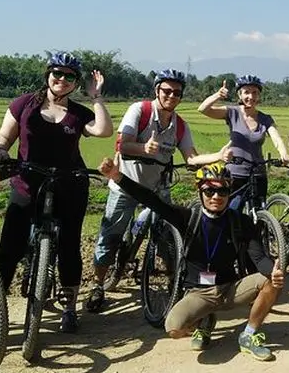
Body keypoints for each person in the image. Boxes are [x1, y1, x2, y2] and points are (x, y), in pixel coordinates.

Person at [98, 159, 285, 361]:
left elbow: (258, 257)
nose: (216, 197)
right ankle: (204, 322)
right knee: (174, 329)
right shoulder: (188, 218)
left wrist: (273, 271)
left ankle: (249, 335)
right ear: (200, 191)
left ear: (230, 192)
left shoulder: (241, 222)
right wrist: (117, 176)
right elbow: (151, 200)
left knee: (270, 281)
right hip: (198, 291)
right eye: (209, 191)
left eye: (223, 191)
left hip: (229, 288)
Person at [86, 69, 231, 313]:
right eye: (167, 91)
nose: (171, 96)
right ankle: (98, 285)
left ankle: (175, 283)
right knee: (110, 236)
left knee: (169, 237)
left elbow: (192, 157)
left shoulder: (180, 125)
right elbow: (122, 144)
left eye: (177, 93)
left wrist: (218, 155)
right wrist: (144, 148)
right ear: (157, 90)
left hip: (157, 188)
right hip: (126, 184)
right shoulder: (140, 110)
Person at [0, 52, 113, 332]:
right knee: (10, 246)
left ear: (75, 83)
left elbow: (104, 131)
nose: (61, 79)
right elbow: (4, 138)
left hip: (70, 183)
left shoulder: (78, 112)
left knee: (70, 246)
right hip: (27, 181)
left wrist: (96, 96)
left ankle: (69, 308)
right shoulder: (24, 104)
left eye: (69, 76)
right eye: (57, 74)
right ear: (47, 75)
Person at [198, 75, 289, 209]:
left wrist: (284, 153)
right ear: (239, 94)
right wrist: (217, 96)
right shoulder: (232, 112)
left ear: (259, 96)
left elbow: (276, 138)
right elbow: (203, 109)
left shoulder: (265, 119)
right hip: (235, 173)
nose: (251, 97)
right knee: (232, 210)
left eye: (255, 93)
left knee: (259, 213)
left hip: (258, 173)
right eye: (246, 92)